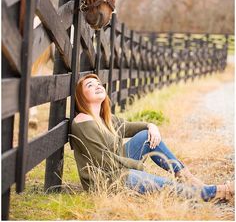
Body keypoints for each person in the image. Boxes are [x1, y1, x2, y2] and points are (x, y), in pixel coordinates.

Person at [70, 74, 234, 202]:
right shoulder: (83, 122)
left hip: (120, 167)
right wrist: (137, 167)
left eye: (99, 83)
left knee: (145, 136)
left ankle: (187, 178)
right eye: (90, 85)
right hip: (108, 180)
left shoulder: (103, 117)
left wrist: (150, 126)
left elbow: (128, 126)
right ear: (81, 96)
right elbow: (104, 161)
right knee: (167, 186)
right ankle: (219, 192)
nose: (98, 86)